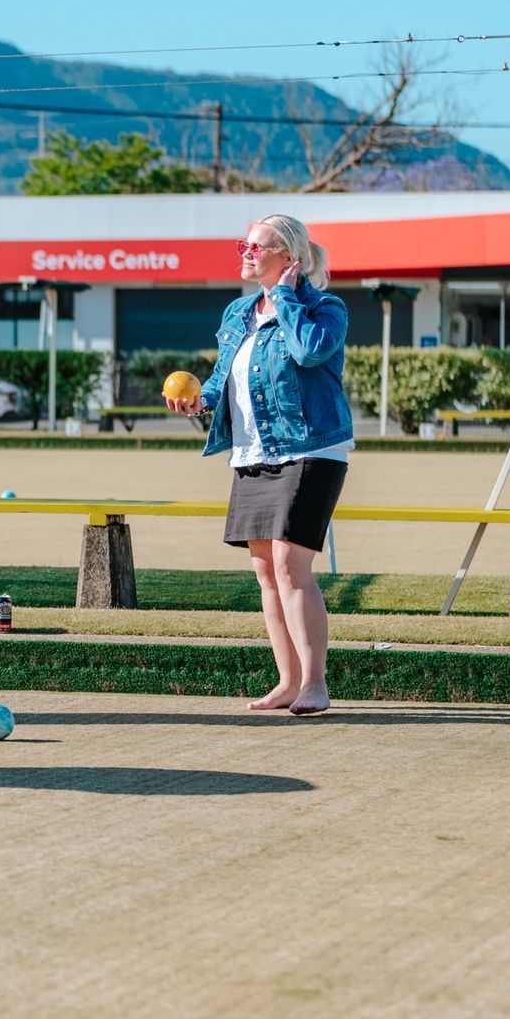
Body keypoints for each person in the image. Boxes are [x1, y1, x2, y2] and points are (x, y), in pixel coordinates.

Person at [167, 213, 352, 715]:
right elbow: (224, 375)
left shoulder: (324, 308)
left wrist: (286, 297)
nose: (246, 254)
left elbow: (309, 353)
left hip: (309, 448)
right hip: (253, 452)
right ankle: (287, 682)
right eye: (243, 246)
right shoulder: (238, 312)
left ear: (288, 257)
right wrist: (201, 401)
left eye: (257, 247)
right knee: (266, 572)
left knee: (292, 565)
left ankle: (315, 683)